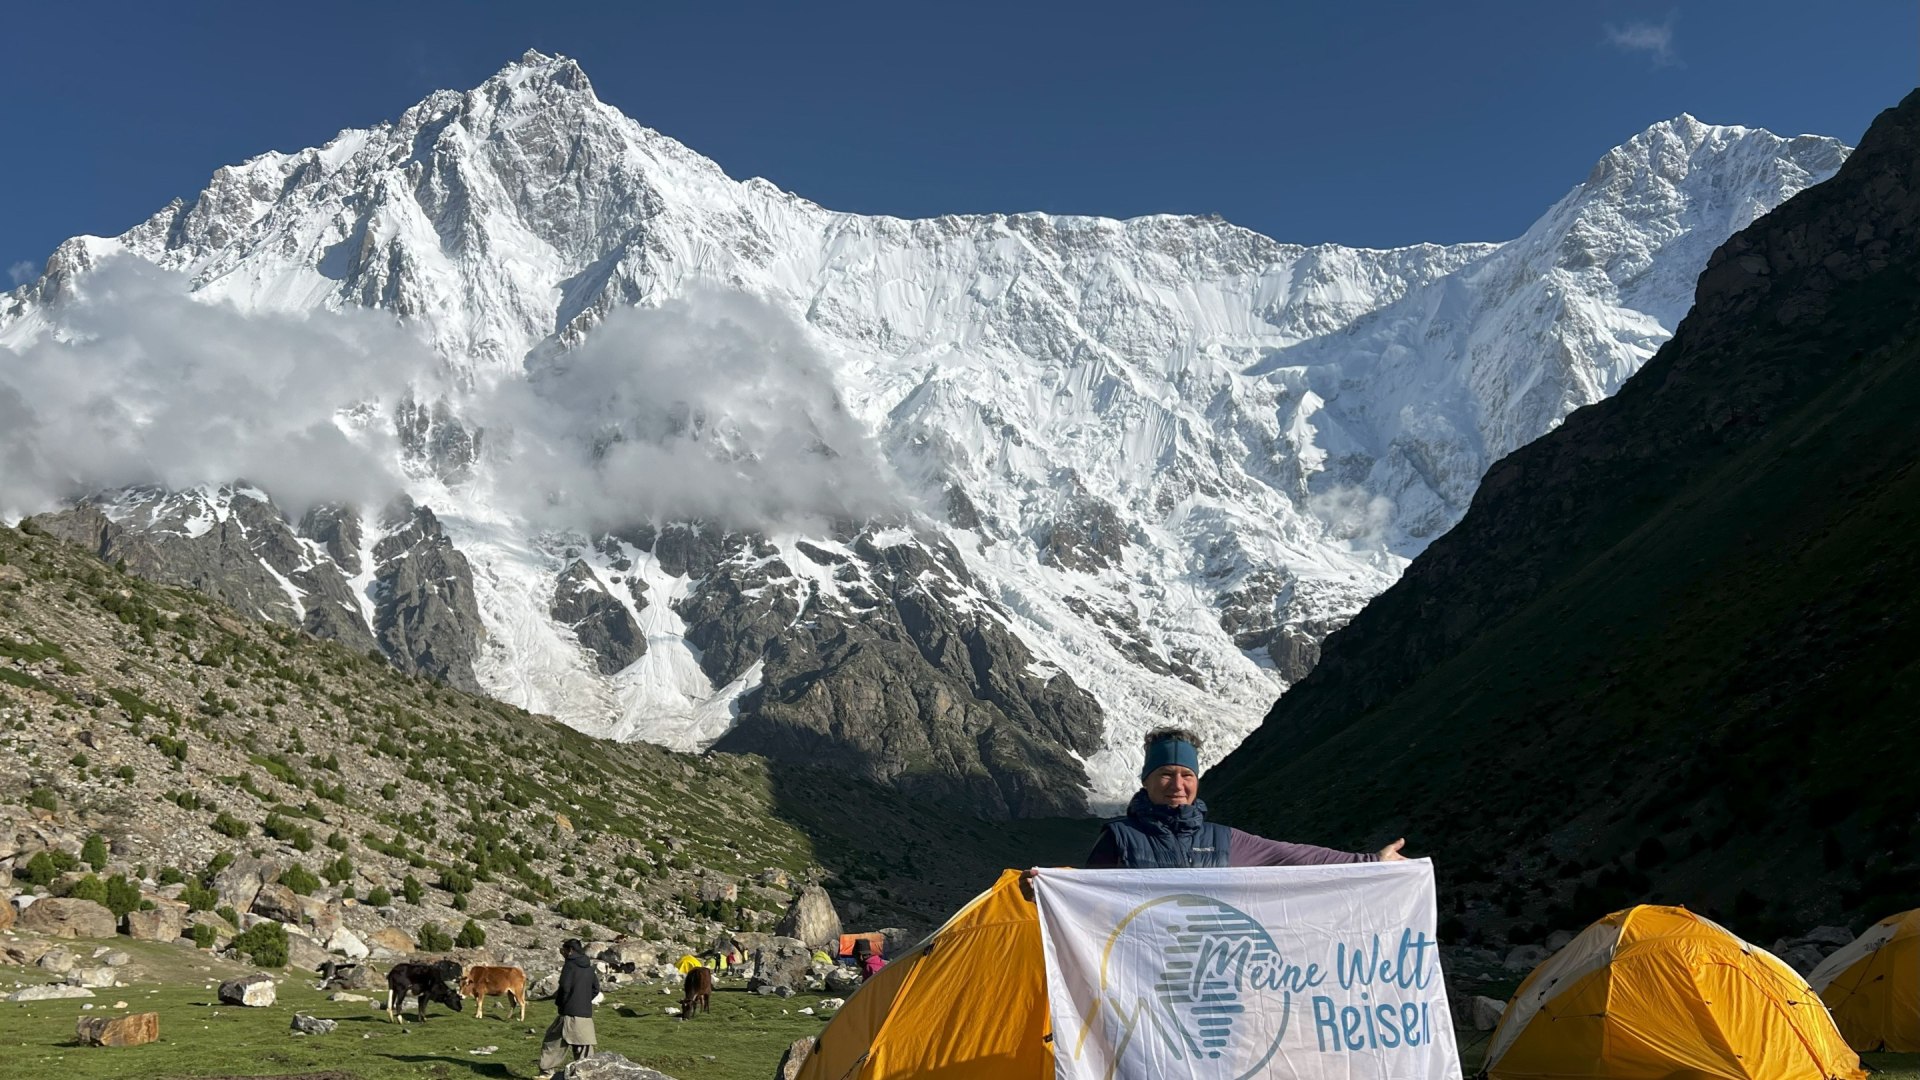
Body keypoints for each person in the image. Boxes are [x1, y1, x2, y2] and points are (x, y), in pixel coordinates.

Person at [1082, 726, 1408, 869]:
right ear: (1146, 780)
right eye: (1165, 774)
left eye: (1187, 775)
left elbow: (1292, 857)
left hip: (1208, 978)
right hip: (1138, 980)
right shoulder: (1119, 838)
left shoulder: (1223, 839)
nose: (1177, 784)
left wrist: (1371, 861)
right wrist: (1040, 889)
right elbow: (1083, 899)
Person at [538, 938, 600, 1076]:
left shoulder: (569, 966)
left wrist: (563, 1004)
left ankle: (546, 1073)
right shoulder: (589, 968)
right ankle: (586, 1075)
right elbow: (596, 988)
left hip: (568, 1013)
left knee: (553, 1042)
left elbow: (565, 988)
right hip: (585, 1014)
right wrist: (583, 1000)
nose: (563, 953)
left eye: (564, 950)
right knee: (584, 1048)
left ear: (570, 950)